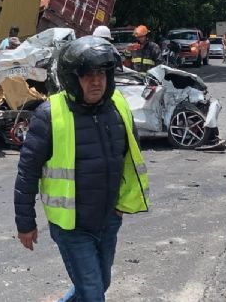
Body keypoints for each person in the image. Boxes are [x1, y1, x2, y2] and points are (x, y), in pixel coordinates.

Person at [14, 36, 150, 301]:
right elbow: (26, 173)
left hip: (108, 219)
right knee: (92, 293)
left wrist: (121, 205)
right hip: (72, 225)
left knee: (101, 283)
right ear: (71, 79)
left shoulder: (118, 106)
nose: (96, 81)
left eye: (101, 73)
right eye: (87, 75)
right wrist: (25, 222)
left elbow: (129, 157)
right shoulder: (50, 114)